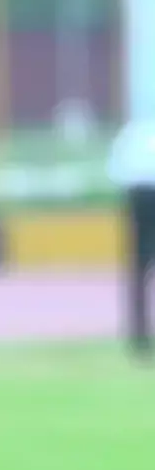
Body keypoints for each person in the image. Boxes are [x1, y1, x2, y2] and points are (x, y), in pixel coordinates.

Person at [108, 116, 155, 358]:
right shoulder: (132, 132)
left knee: (138, 272)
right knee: (137, 272)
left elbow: (116, 172)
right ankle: (139, 337)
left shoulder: (131, 133)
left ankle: (139, 338)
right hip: (140, 197)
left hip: (137, 197)